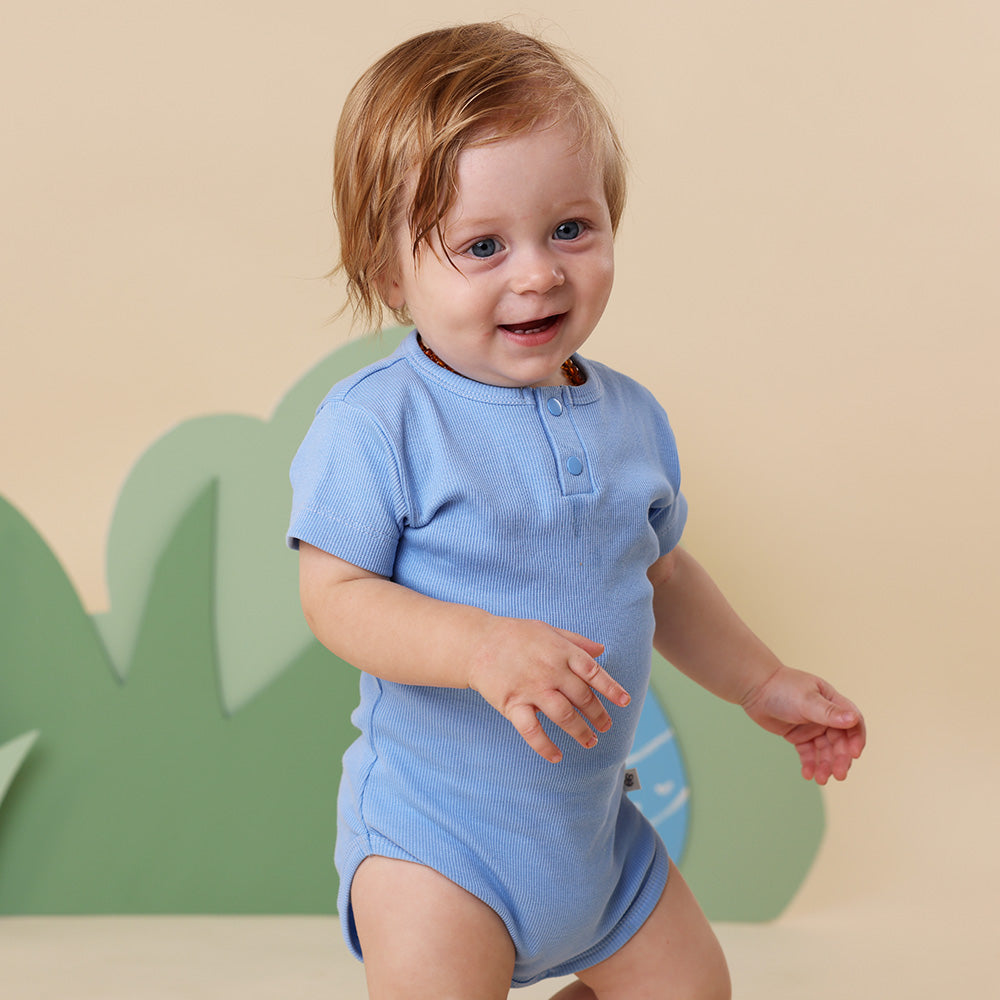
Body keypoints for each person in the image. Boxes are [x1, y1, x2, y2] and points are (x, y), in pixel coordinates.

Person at [287, 21, 865, 1000]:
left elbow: (661, 575)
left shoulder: (630, 418)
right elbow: (334, 595)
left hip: (594, 841)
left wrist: (760, 680)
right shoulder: (380, 422)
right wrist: (477, 645)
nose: (538, 273)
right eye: (482, 246)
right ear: (390, 275)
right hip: (439, 846)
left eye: (570, 229)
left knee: (693, 990)